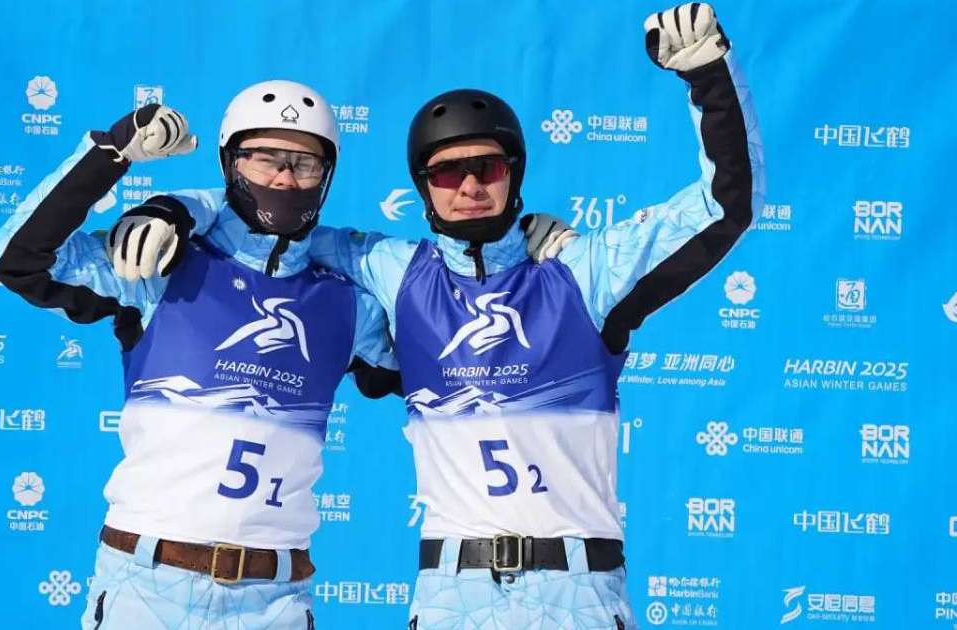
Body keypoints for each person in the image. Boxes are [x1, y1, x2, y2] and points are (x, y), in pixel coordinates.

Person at [115, 4, 764, 626]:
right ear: (423, 188)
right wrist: (176, 207)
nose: (470, 186)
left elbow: (723, 206)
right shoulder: (393, 271)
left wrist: (708, 76)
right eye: (446, 173)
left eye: (487, 167)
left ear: (516, 173)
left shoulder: (584, 272)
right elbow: (268, 218)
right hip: (453, 597)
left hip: (578, 596)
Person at [0, 80, 398, 629]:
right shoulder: (160, 262)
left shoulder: (349, 306)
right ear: (230, 163)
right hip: (147, 587)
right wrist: (113, 154)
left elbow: (455, 365)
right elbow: (17, 261)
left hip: (272, 601)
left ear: (327, 175)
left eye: (304, 163)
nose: (283, 177)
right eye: (264, 158)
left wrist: (528, 255)